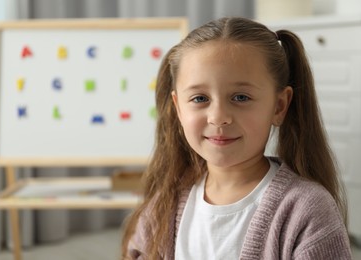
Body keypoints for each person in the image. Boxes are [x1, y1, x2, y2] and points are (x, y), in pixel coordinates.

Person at [121, 17, 352, 259]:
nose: (219, 117)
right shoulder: (164, 203)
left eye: (241, 97)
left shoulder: (307, 210)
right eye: (200, 98)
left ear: (279, 106)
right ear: (178, 108)